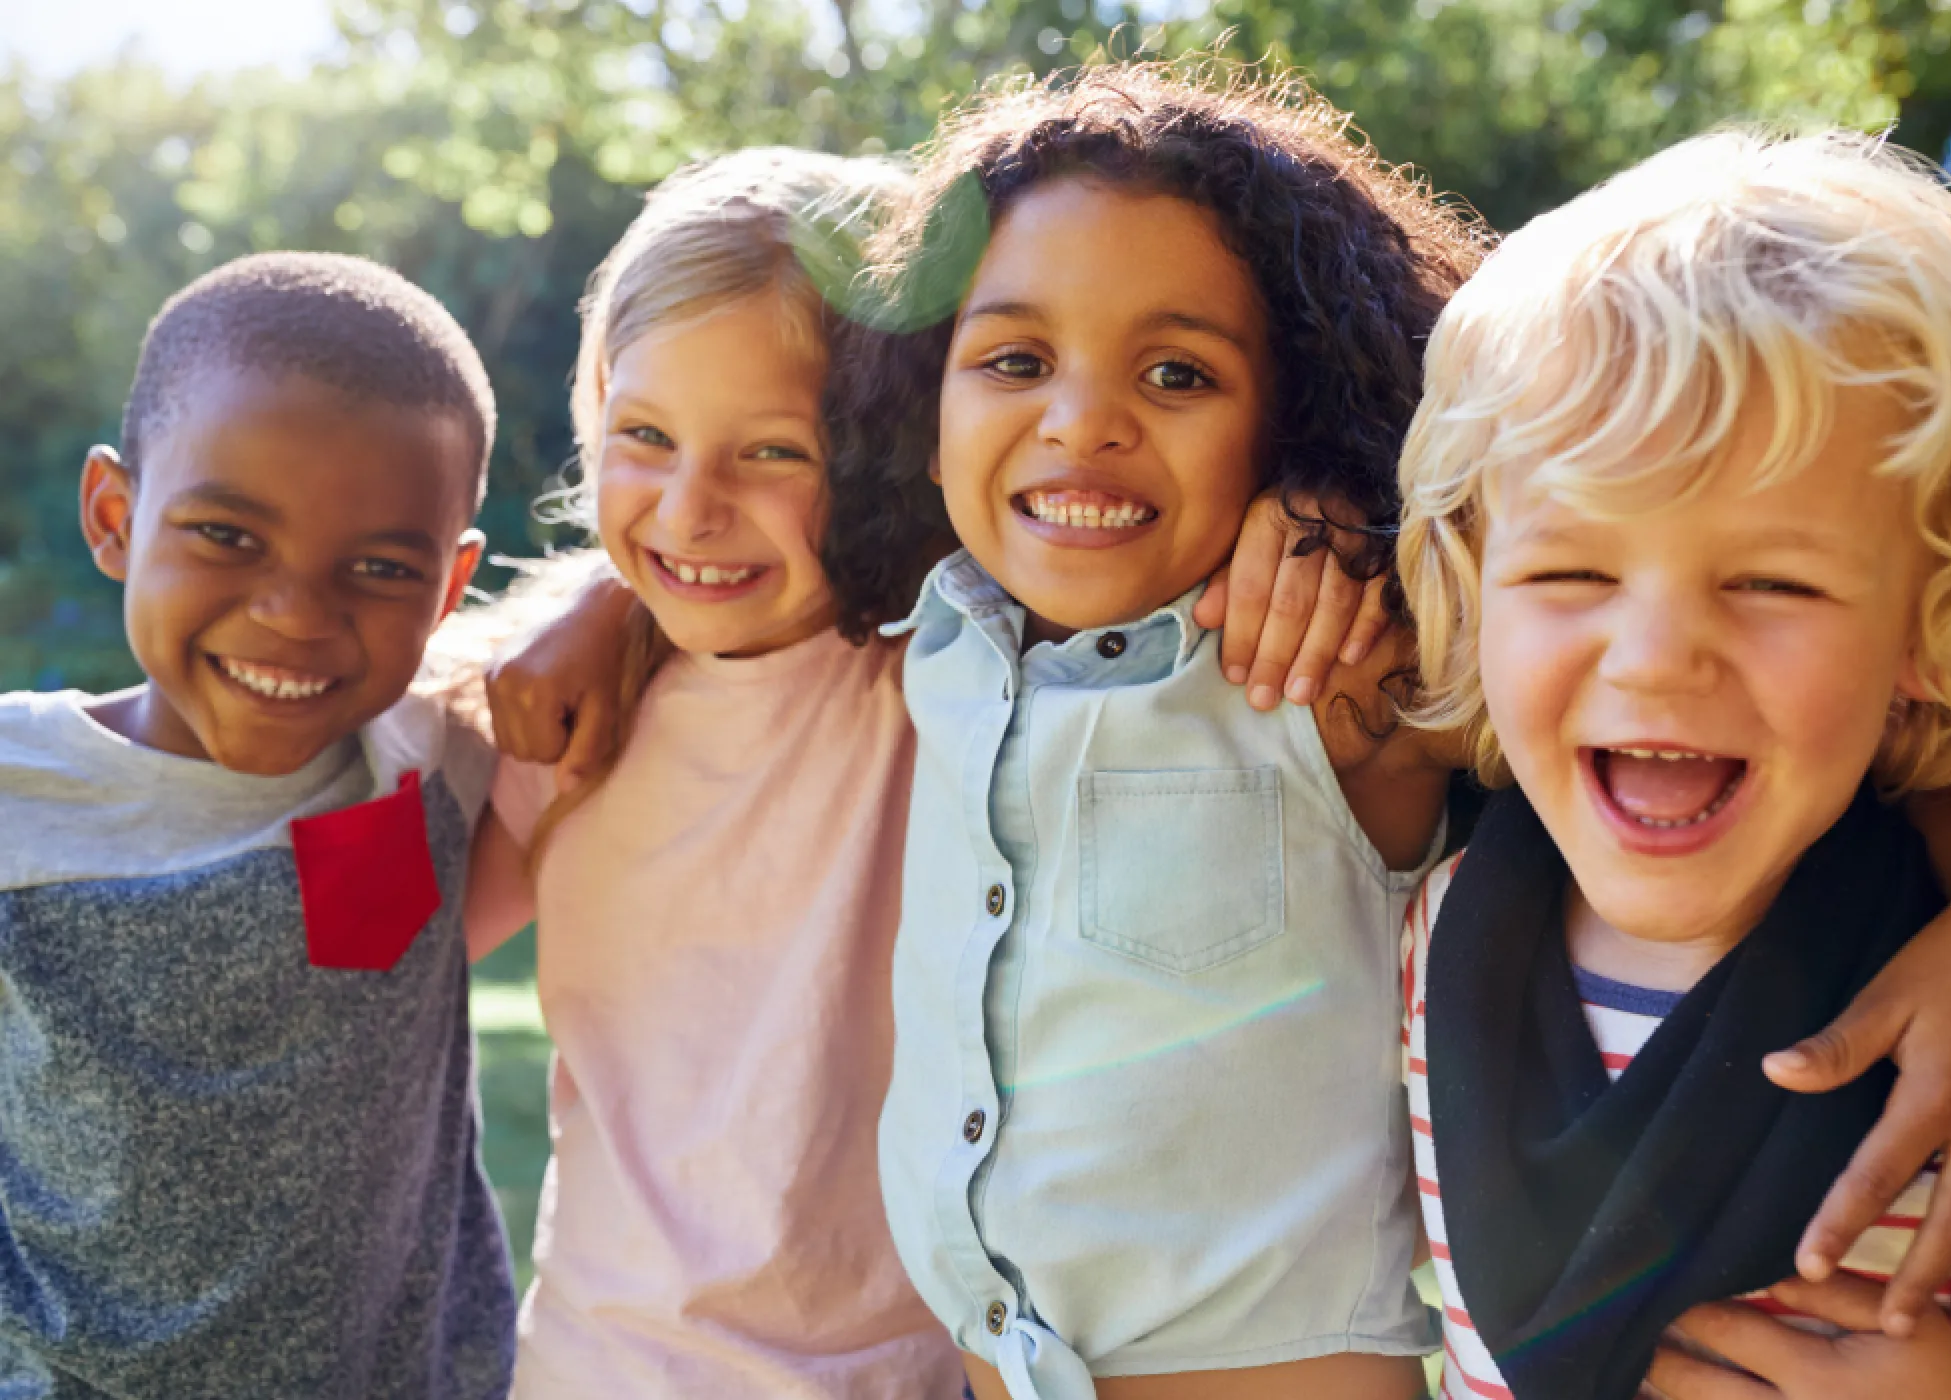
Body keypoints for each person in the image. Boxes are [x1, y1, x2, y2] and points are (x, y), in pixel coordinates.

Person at [456, 145, 1389, 1399]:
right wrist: (601, 599)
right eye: (643, 436)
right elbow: (367, 968)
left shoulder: (960, 672)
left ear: (887, 444)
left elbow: (1118, 518)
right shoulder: (559, 716)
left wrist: (1327, 504)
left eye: (774, 451)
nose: (687, 511)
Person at [1392, 128, 1951, 1400]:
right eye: (1573, 569)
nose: (1657, 658)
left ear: (1925, 627)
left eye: (1774, 581)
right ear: (1473, 584)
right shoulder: (1433, 934)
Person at [0, 252, 515, 1398]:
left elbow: (650, 609)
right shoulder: (15, 789)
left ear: (448, 589)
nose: (295, 615)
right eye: (227, 536)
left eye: (379, 567)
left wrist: (578, 632)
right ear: (114, 516)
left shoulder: (433, 755)